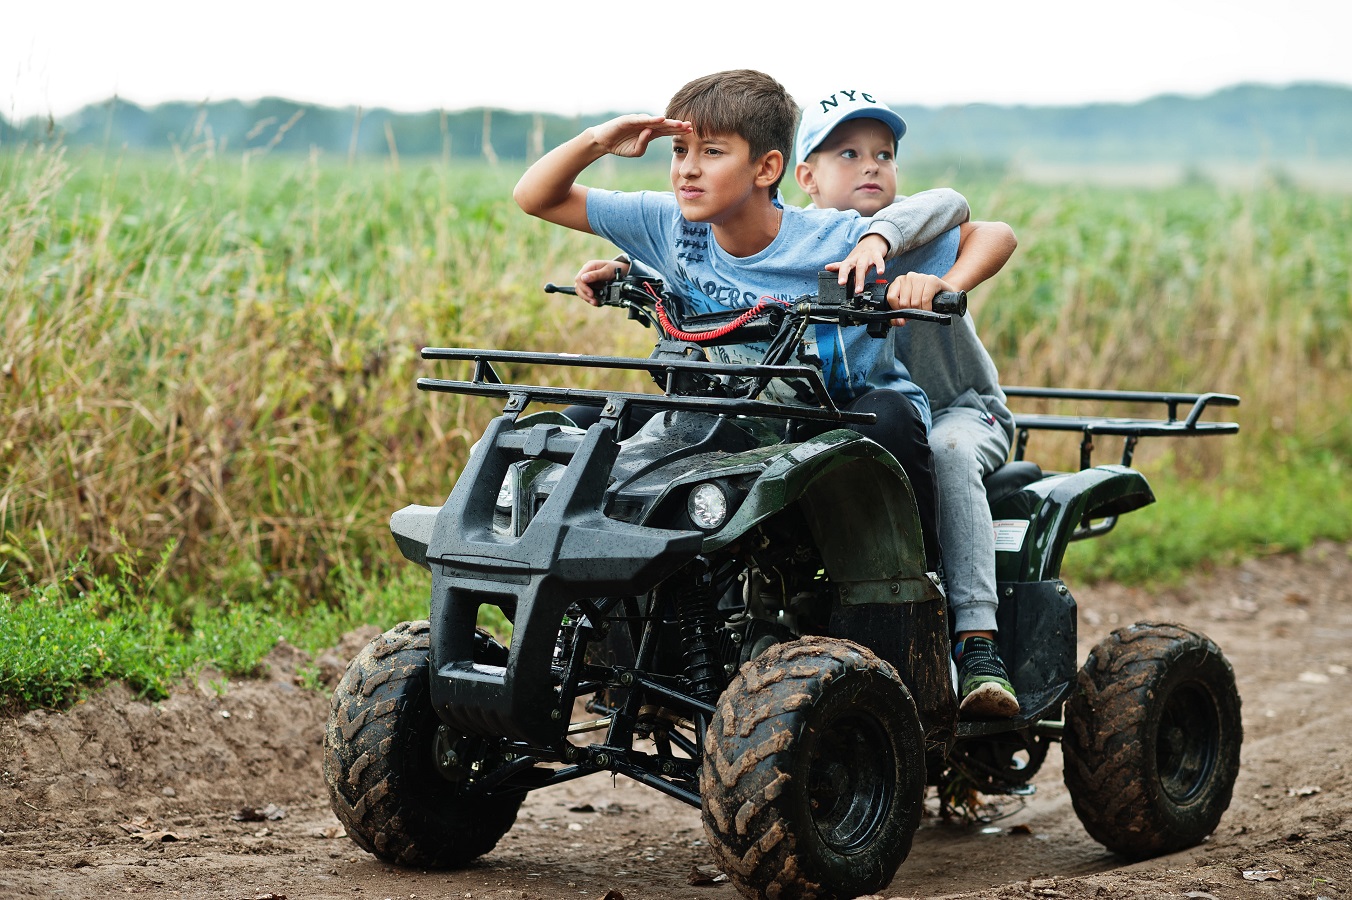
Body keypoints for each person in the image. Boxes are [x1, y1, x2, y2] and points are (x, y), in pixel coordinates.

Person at [513, 71, 1011, 713]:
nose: (688, 172)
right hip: (737, 418)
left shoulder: (835, 238)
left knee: (886, 418)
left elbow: (983, 227)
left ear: (767, 168)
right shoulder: (670, 226)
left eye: (712, 153)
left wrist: (932, 278)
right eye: (680, 152)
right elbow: (537, 196)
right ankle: (614, 642)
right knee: (596, 431)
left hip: (844, 417)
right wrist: (600, 141)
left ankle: (924, 605)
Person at [797, 89, 1022, 718]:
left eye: (884, 154)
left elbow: (984, 224)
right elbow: (725, 258)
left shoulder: (914, 235)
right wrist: (629, 269)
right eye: (848, 152)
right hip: (859, 413)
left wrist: (940, 285)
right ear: (806, 177)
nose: (871, 165)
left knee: (948, 450)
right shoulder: (794, 243)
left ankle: (977, 641)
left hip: (958, 410)